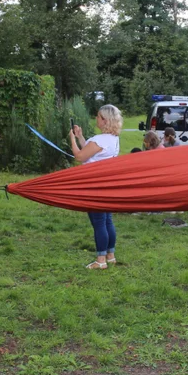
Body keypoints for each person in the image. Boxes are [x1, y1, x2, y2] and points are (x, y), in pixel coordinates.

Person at [69, 105, 122, 270]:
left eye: (98, 116)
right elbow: (91, 152)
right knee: (107, 220)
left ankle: (100, 261)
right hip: (108, 185)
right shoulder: (113, 139)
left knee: (98, 222)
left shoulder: (99, 140)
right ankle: (110, 256)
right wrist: (80, 137)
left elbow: (80, 156)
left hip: (95, 185)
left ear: (105, 120)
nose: (96, 119)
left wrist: (71, 138)